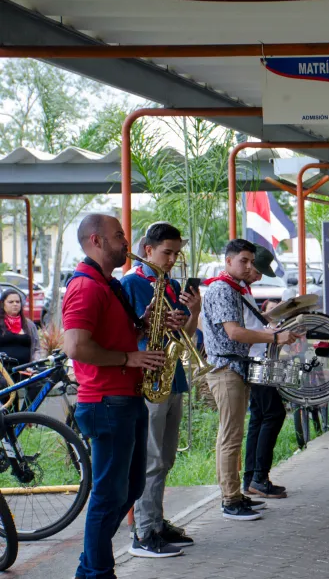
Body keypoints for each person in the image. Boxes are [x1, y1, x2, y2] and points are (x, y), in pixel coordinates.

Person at [62, 214, 180, 579]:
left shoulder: (107, 283)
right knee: (107, 495)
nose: (126, 242)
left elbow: (113, 333)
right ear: (96, 241)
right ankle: (96, 571)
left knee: (131, 486)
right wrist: (129, 358)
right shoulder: (86, 287)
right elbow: (76, 347)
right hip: (105, 402)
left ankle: (91, 564)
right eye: (119, 236)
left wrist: (144, 324)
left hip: (126, 397)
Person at [201, 239, 300, 521]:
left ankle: (236, 494)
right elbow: (234, 332)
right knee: (230, 437)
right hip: (226, 368)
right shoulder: (222, 289)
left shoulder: (233, 288)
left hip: (237, 368)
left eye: (250, 261)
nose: (248, 266)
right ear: (228, 261)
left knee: (234, 434)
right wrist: (274, 336)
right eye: (243, 261)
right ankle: (230, 499)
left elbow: (243, 327)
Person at [122, 222, 201, 558]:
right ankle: (143, 531)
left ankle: (156, 521)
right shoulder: (131, 283)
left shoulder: (171, 284)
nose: (171, 260)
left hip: (172, 375)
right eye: (167, 253)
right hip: (149, 378)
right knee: (151, 458)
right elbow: (125, 332)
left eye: (175, 254)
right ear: (148, 250)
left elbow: (188, 335)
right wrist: (147, 321)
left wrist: (192, 311)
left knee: (165, 456)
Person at [242, 247, 288, 499]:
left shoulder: (245, 291)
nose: (257, 276)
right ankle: (258, 477)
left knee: (260, 416)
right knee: (273, 413)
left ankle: (252, 478)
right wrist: (275, 335)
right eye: (255, 270)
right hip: (255, 359)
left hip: (258, 357)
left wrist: (273, 317)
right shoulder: (233, 289)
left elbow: (253, 321)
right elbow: (243, 331)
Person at [0, 289, 43, 404]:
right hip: (4, 371)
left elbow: (37, 348)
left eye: (17, 302)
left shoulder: (28, 325)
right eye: (11, 302)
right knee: (6, 388)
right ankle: (11, 419)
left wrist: (34, 364)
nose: (15, 304)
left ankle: (26, 414)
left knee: (39, 383)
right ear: (3, 303)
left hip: (25, 368)